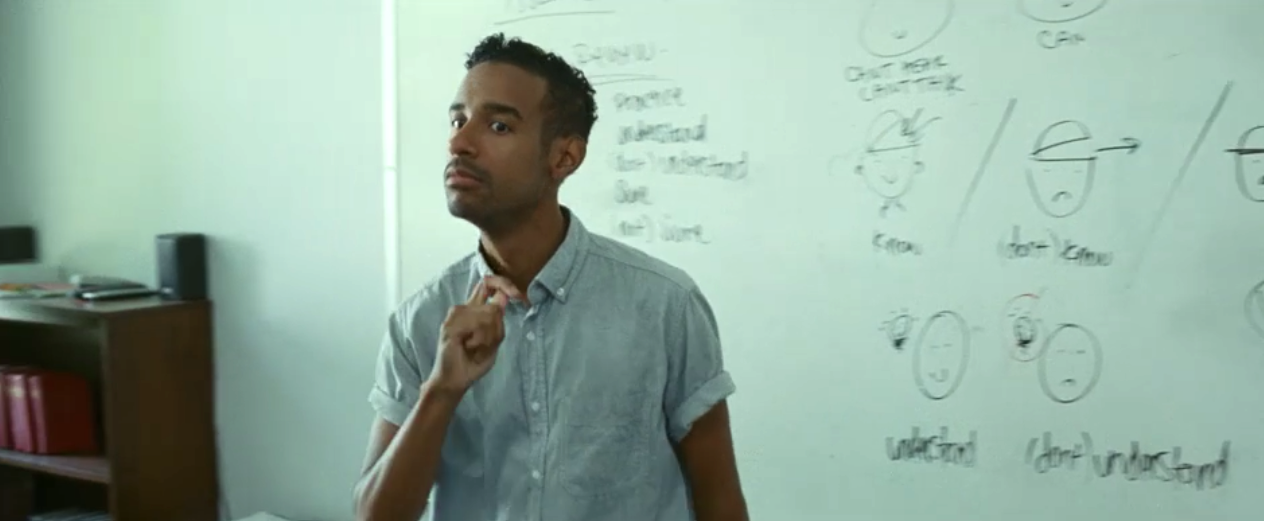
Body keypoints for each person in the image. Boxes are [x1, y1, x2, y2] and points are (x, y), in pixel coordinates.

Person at [352, 33, 749, 521]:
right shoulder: (422, 320)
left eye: (497, 125)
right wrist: (441, 391)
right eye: (457, 120)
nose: (459, 142)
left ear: (565, 157)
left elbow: (721, 501)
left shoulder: (664, 305)